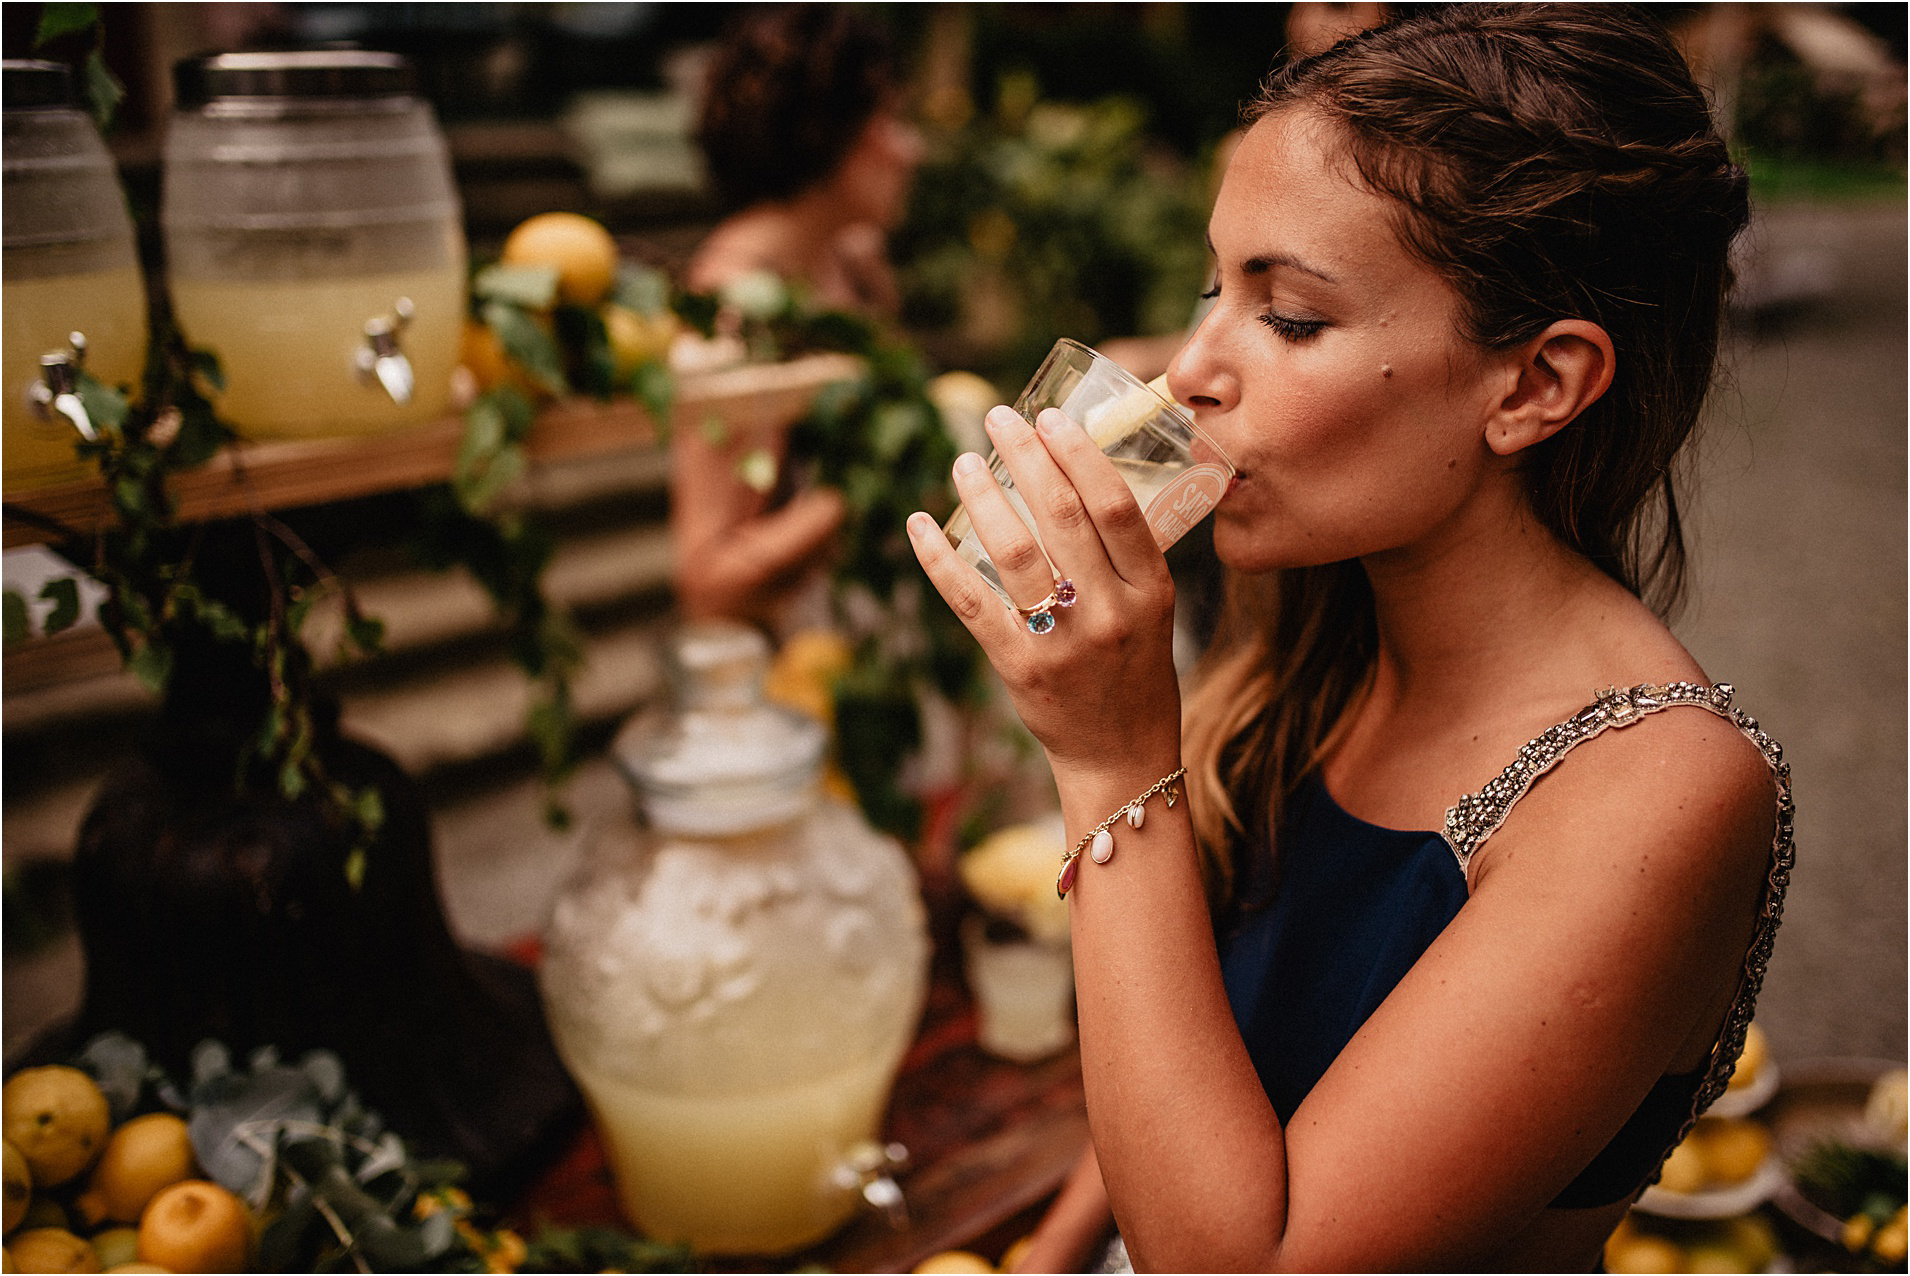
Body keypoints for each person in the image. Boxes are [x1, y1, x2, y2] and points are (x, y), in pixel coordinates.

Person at [906, 7, 1787, 1271]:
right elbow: (1201, 1034)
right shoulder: (1312, 628)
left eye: (1291, 319)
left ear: (1533, 384)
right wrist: (1046, 1255)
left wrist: (1108, 765)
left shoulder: (1657, 793)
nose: (1185, 374)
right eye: (1215, 289)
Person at [672, 5, 924, 626]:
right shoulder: (733, 311)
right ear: (827, 132)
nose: (911, 148)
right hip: (806, 661)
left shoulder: (845, 259)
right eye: (888, 119)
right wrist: (866, 482)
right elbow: (710, 584)